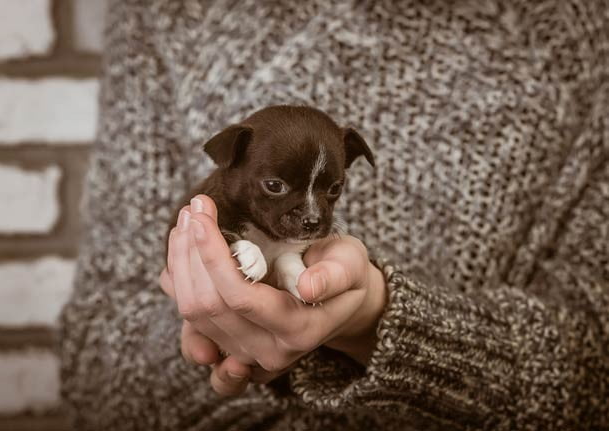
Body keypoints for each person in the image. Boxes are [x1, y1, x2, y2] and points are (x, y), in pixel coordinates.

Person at [59, 0, 609, 429]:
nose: (312, 216)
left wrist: (379, 321)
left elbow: (591, 373)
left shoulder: (582, 33)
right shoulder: (168, 13)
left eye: (333, 193)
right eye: (277, 187)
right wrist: (217, 339)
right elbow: (100, 355)